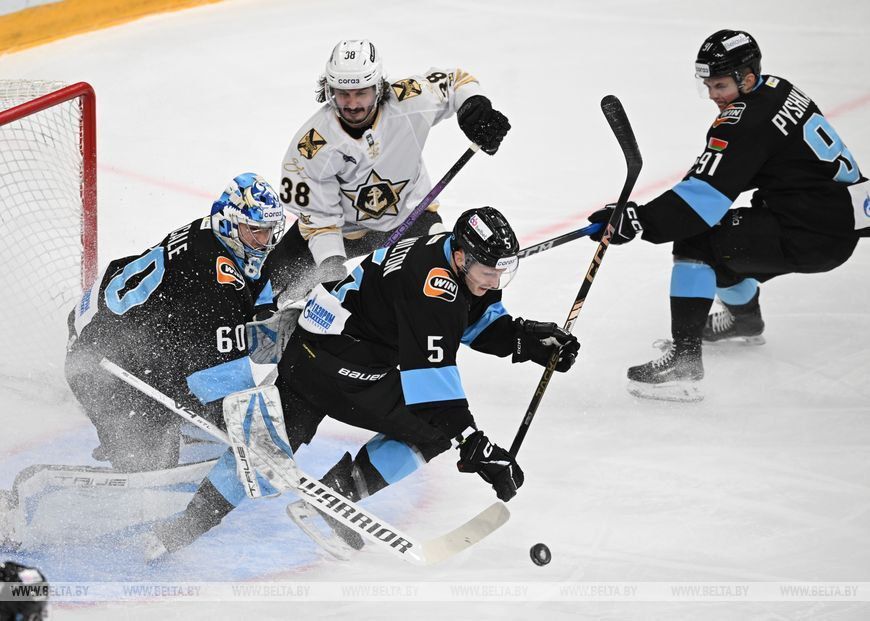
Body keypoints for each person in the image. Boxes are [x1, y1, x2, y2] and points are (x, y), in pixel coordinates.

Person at [148, 206, 579, 556]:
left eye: (502, 272)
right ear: (463, 257)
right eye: (489, 271)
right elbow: (431, 387)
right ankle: (341, 492)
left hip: (312, 354)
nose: (495, 281)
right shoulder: (433, 288)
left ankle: (182, 529)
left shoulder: (449, 256)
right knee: (433, 431)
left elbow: (474, 320)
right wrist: (476, 445)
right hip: (344, 370)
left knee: (265, 448)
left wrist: (525, 340)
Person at [588, 29, 867, 402]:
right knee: (724, 246)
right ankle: (744, 321)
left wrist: (637, 220)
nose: (712, 95)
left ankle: (684, 362)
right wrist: (643, 212)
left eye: (719, 85)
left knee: (697, 241)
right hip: (832, 220)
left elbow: (699, 204)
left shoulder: (744, 123)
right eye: (707, 85)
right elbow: (736, 171)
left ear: (747, 79)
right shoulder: (778, 89)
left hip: (808, 232)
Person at [65, 173, 285, 471]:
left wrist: (264, 314)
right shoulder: (211, 279)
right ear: (229, 223)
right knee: (149, 463)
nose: (265, 241)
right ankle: (131, 439)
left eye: (269, 231)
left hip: (119, 327)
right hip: (98, 359)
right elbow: (216, 376)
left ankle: (166, 421)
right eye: (256, 231)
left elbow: (258, 281)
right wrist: (253, 436)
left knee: (188, 369)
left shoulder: (222, 237)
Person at [265, 38, 511, 302]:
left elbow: (456, 81)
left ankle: (494, 323)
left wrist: (475, 108)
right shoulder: (311, 146)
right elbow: (320, 221)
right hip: (343, 232)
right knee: (268, 287)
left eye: (361, 93)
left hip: (412, 220)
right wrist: (331, 269)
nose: (352, 104)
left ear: (378, 88)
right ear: (329, 90)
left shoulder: (410, 99)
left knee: (450, 287)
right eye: (343, 93)